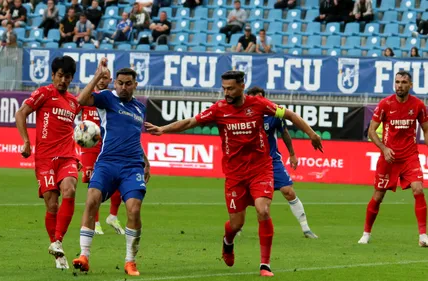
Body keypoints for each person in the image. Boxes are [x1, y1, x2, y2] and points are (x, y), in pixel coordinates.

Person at [145, 71, 322, 277]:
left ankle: (265, 264)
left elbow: (289, 115)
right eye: (224, 88)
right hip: (235, 174)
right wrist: (163, 129)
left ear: (242, 86)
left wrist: (312, 133)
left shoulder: (259, 104)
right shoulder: (219, 109)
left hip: (261, 169)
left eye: (230, 88)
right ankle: (227, 242)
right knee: (236, 224)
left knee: (263, 210)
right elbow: (190, 122)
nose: (226, 93)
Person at [72, 59, 150, 276]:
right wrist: (98, 76)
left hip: (132, 165)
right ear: (114, 83)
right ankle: (84, 255)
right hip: (107, 162)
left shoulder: (140, 108)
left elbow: (134, 136)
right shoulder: (107, 97)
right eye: (120, 83)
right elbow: (80, 100)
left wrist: (146, 160)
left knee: (133, 209)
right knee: (91, 200)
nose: (123, 87)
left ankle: (130, 261)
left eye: (128, 83)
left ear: (135, 85)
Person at [15, 56, 81, 270]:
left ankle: (58, 240)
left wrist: (99, 76)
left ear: (71, 79)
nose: (63, 80)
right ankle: (58, 254)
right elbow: (21, 113)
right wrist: (26, 141)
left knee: (70, 190)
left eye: (67, 77)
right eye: (59, 76)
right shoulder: (44, 93)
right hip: (44, 159)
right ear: (53, 75)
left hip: (67, 156)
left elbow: (74, 127)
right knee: (52, 204)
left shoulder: (73, 102)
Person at [358, 70, 428, 247]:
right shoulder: (385, 104)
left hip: (410, 156)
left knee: (418, 189)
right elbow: (372, 131)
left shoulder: (418, 105)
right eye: (397, 82)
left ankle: (423, 235)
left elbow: (426, 129)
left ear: (410, 85)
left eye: (404, 82)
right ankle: (366, 233)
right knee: (378, 195)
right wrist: (383, 148)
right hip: (388, 158)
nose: (400, 85)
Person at [246, 86, 318, 238]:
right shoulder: (244, 115)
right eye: (254, 98)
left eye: (260, 97)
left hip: (272, 161)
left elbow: (284, 133)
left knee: (288, 191)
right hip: (251, 163)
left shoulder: (274, 114)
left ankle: (306, 229)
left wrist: (292, 154)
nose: (258, 101)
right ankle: (236, 227)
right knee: (248, 198)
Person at [78, 68, 125, 235]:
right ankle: (95, 221)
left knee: (118, 179)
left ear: (110, 79)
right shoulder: (88, 97)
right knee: (94, 183)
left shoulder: (112, 99)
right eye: (100, 77)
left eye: (106, 78)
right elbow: (74, 113)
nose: (102, 81)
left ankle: (112, 215)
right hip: (90, 147)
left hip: (108, 145)